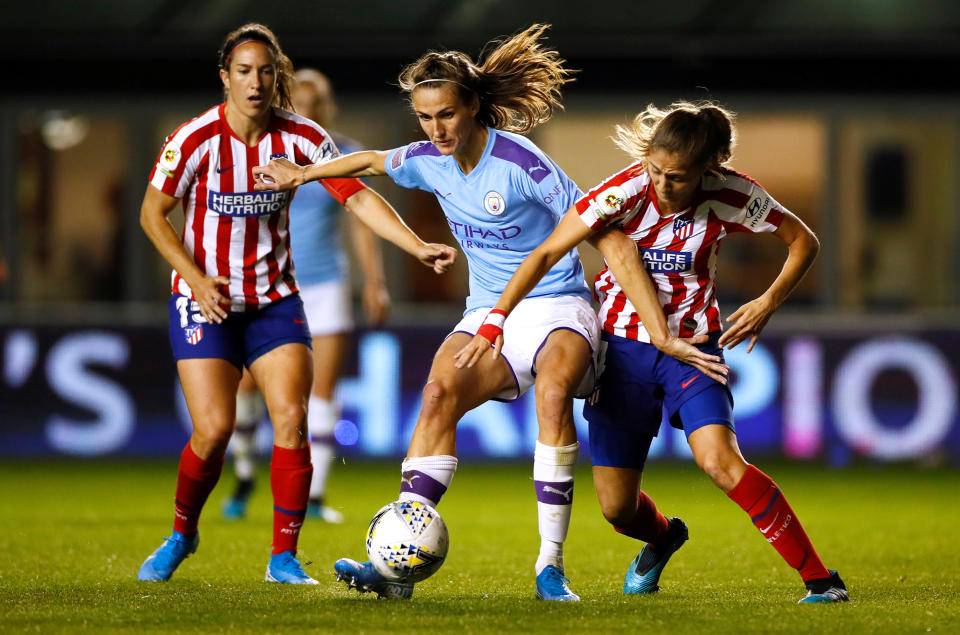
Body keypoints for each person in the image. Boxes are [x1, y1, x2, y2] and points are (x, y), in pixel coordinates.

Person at [255, 25, 724, 602]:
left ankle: (550, 567)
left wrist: (654, 325)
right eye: (425, 118)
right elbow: (373, 161)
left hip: (559, 304)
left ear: (473, 106)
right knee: (435, 396)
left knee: (552, 394)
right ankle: (396, 568)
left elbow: (601, 232)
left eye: (446, 114)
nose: (435, 129)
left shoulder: (522, 162)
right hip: (487, 310)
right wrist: (303, 174)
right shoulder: (426, 159)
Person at [454, 101, 849, 604]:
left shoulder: (732, 194)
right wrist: (496, 318)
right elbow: (547, 251)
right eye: (655, 169)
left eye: (678, 177)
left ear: (709, 169)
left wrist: (768, 300)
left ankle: (820, 580)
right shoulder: (623, 191)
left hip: (694, 350)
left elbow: (803, 240)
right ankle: (663, 538)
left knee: (721, 462)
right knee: (617, 510)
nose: (662, 184)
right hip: (620, 353)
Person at [136, 23, 456, 585]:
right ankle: (182, 534)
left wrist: (416, 246)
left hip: (275, 300)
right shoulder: (193, 139)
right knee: (212, 430)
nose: (255, 83)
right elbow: (151, 214)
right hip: (203, 301)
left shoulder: (304, 138)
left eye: (265, 72)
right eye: (243, 72)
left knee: (291, 418)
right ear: (225, 79)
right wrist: (196, 277)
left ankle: (283, 557)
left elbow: (357, 198)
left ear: (277, 77)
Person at [221, 68, 390, 524]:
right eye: (301, 102)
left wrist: (375, 281)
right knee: (245, 384)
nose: (308, 111)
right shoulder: (265, 153)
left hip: (326, 283)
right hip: (269, 281)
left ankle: (313, 497)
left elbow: (361, 223)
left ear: (325, 108)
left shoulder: (344, 154)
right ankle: (242, 475)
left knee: (323, 389)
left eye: (316, 105)